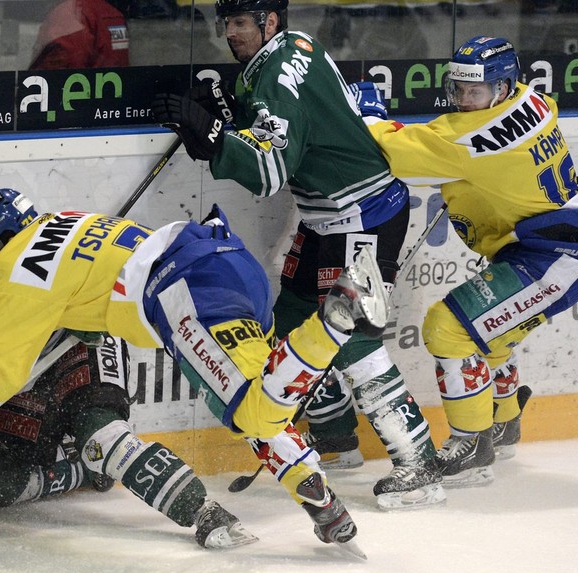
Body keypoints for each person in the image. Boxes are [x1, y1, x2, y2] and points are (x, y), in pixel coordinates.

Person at [0, 188, 394, 553]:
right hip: (223, 260)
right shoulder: (58, 223)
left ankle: (337, 316)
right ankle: (324, 505)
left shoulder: (13, 274)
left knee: (253, 413)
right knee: (248, 399)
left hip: (180, 293)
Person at [149, 0, 444, 510]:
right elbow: (282, 129)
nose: (230, 34)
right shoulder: (283, 52)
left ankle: (419, 462)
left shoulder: (278, 78)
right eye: (227, 24)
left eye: (241, 23)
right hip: (330, 218)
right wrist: (224, 120)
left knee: (349, 339)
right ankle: (335, 442)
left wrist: (216, 136)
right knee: (287, 325)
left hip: (364, 215)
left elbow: (269, 174)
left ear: (270, 21)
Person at [0, 190, 256, 549]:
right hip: (14, 382)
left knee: (100, 434)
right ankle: (83, 469)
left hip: (76, 344)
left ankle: (203, 511)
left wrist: (86, 309)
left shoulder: (7, 256)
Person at [350, 36, 578, 487]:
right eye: (457, 87)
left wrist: (369, 115)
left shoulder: (474, 137)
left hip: (561, 256)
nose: (461, 99)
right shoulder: (535, 100)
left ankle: (471, 443)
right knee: (489, 331)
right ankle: (506, 418)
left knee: (450, 328)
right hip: (552, 238)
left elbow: (399, 153)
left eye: (472, 91)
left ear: (502, 87)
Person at [29, 0, 129, 70]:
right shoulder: (114, 15)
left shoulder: (69, 14)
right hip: (110, 94)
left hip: (76, 95)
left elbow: (60, 75)